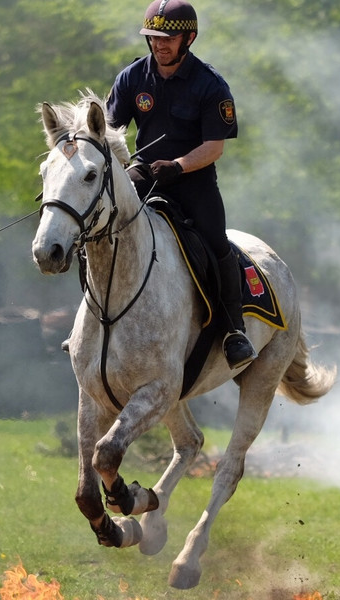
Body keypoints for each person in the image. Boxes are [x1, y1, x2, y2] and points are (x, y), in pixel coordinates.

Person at [105, 0, 256, 369]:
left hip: (193, 179)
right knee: (102, 223)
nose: (160, 44)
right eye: (154, 37)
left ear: (188, 38)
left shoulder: (210, 84)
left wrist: (178, 165)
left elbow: (214, 147)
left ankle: (234, 331)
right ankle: (93, 320)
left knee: (217, 244)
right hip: (144, 172)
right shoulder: (131, 78)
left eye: (168, 38)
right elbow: (110, 132)